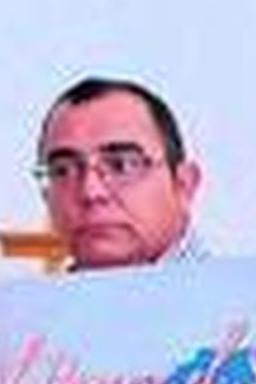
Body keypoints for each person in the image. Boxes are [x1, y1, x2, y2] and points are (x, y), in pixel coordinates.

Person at [34, 77, 207, 270]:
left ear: (184, 185)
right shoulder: (31, 299)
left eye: (121, 165)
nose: (91, 192)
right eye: (63, 171)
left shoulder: (238, 296)